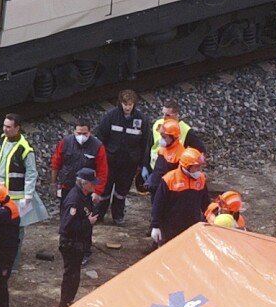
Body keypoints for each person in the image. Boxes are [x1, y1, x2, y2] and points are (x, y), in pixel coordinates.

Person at [0, 114, 48, 271]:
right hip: (2, 194)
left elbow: (31, 172)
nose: (5, 129)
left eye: (9, 127)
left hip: (16, 197)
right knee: (2, 228)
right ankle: (4, 258)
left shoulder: (25, 149)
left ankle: (13, 264)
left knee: (17, 230)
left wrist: (28, 195)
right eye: (4, 126)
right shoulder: (4, 140)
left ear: (17, 128)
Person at [95, 89, 146, 224]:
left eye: (130, 104)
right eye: (125, 104)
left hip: (129, 164)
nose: (127, 107)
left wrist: (142, 165)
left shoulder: (141, 120)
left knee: (121, 192)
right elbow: (100, 138)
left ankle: (118, 216)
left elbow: (145, 143)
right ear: (120, 103)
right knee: (105, 190)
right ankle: (99, 215)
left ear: (134, 104)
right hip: (110, 161)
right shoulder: (111, 117)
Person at [150, 148, 210, 247]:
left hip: (192, 226)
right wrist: (155, 226)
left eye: (200, 166)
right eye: (196, 167)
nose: (199, 170)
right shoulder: (169, 179)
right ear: (186, 166)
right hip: (170, 228)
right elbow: (158, 204)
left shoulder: (201, 180)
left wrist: (210, 219)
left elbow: (206, 204)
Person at [58, 168, 100, 307]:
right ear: (85, 184)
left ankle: (69, 300)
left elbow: (89, 212)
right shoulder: (74, 201)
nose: (95, 186)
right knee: (71, 275)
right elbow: (66, 226)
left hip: (79, 243)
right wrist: (87, 223)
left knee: (75, 274)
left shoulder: (85, 196)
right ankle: (65, 302)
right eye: (92, 183)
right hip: (71, 244)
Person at [144, 99, 204, 188]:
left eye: (167, 115)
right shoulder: (158, 124)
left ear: (176, 115)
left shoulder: (185, 130)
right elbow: (150, 145)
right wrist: (144, 165)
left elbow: (200, 150)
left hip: (173, 173)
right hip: (156, 168)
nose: (164, 118)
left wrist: (193, 169)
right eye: (163, 114)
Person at [50, 122, 107, 202]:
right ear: (74, 131)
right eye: (79, 133)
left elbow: (102, 171)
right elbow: (56, 163)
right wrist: (53, 183)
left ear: (90, 132)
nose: (81, 136)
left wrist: (98, 191)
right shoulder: (65, 142)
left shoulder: (97, 147)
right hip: (67, 186)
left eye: (84, 134)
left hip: (87, 190)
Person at [144, 119, 186, 192]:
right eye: (161, 136)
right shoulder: (163, 149)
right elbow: (158, 170)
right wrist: (151, 180)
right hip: (156, 190)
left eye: (164, 137)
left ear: (173, 137)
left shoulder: (181, 154)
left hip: (168, 193)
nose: (161, 139)